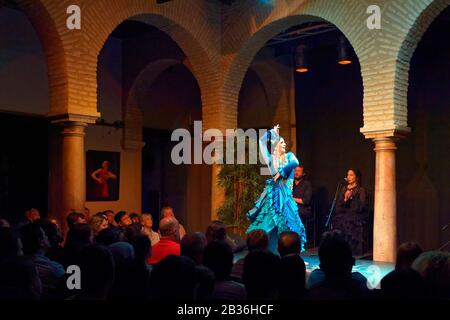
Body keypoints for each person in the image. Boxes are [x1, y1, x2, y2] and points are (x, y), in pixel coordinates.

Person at [246, 124, 306, 253]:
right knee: (269, 224)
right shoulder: (270, 159)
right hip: (273, 195)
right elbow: (261, 141)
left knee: (290, 224)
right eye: (282, 142)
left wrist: (282, 171)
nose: (284, 144)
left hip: (285, 196)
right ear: (276, 145)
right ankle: (269, 251)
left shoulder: (289, 156)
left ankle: (290, 252)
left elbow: (295, 162)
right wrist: (271, 133)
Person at [19, 223, 65, 295]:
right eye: (45, 235)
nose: (47, 237)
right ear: (41, 242)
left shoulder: (22, 261)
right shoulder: (52, 268)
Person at [332, 168, 367, 256]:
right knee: (337, 219)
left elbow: (361, 206)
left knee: (348, 220)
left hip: (356, 214)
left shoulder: (360, 189)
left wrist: (351, 198)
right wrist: (345, 199)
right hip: (345, 212)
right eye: (348, 175)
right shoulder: (343, 188)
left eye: (351, 175)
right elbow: (339, 205)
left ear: (356, 177)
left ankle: (351, 249)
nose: (349, 177)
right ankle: (339, 248)